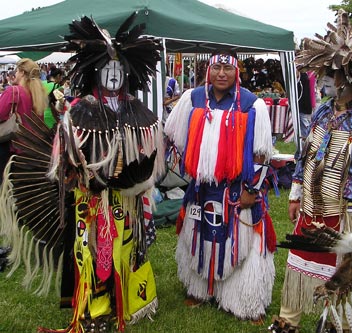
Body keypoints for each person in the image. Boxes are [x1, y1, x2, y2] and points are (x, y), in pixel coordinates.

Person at [0, 13, 165, 332]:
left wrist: (134, 180)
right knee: (94, 253)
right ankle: (96, 306)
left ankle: (127, 300)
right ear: (95, 71)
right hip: (91, 203)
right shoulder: (79, 111)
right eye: (107, 69)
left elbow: (150, 156)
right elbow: (65, 163)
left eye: (120, 69)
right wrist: (92, 176)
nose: (114, 75)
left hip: (126, 203)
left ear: (129, 72)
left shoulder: (139, 111)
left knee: (128, 247)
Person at [270, 10, 352, 332]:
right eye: (325, 70)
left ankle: (341, 325)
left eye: (334, 72)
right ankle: (287, 322)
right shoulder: (323, 112)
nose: (326, 78)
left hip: (350, 215)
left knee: (344, 279)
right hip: (314, 208)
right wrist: (297, 193)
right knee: (297, 269)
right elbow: (306, 154)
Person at [164, 49, 276, 323]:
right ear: (208, 70)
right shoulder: (192, 99)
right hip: (201, 188)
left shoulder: (252, 104)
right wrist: (188, 167)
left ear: (236, 72)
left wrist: (253, 189)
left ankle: (243, 300)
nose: (222, 74)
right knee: (197, 236)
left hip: (238, 189)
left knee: (243, 242)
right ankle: (200, 289)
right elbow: (173, 138)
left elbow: (261, 153)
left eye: (227, 69)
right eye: (217, 68)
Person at [0, 58, 47, 182]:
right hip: (34, 149)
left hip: (13, 148)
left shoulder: (13, 91)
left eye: (16, 71)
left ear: (21, 72)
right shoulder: (39, 94)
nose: (14, 74)